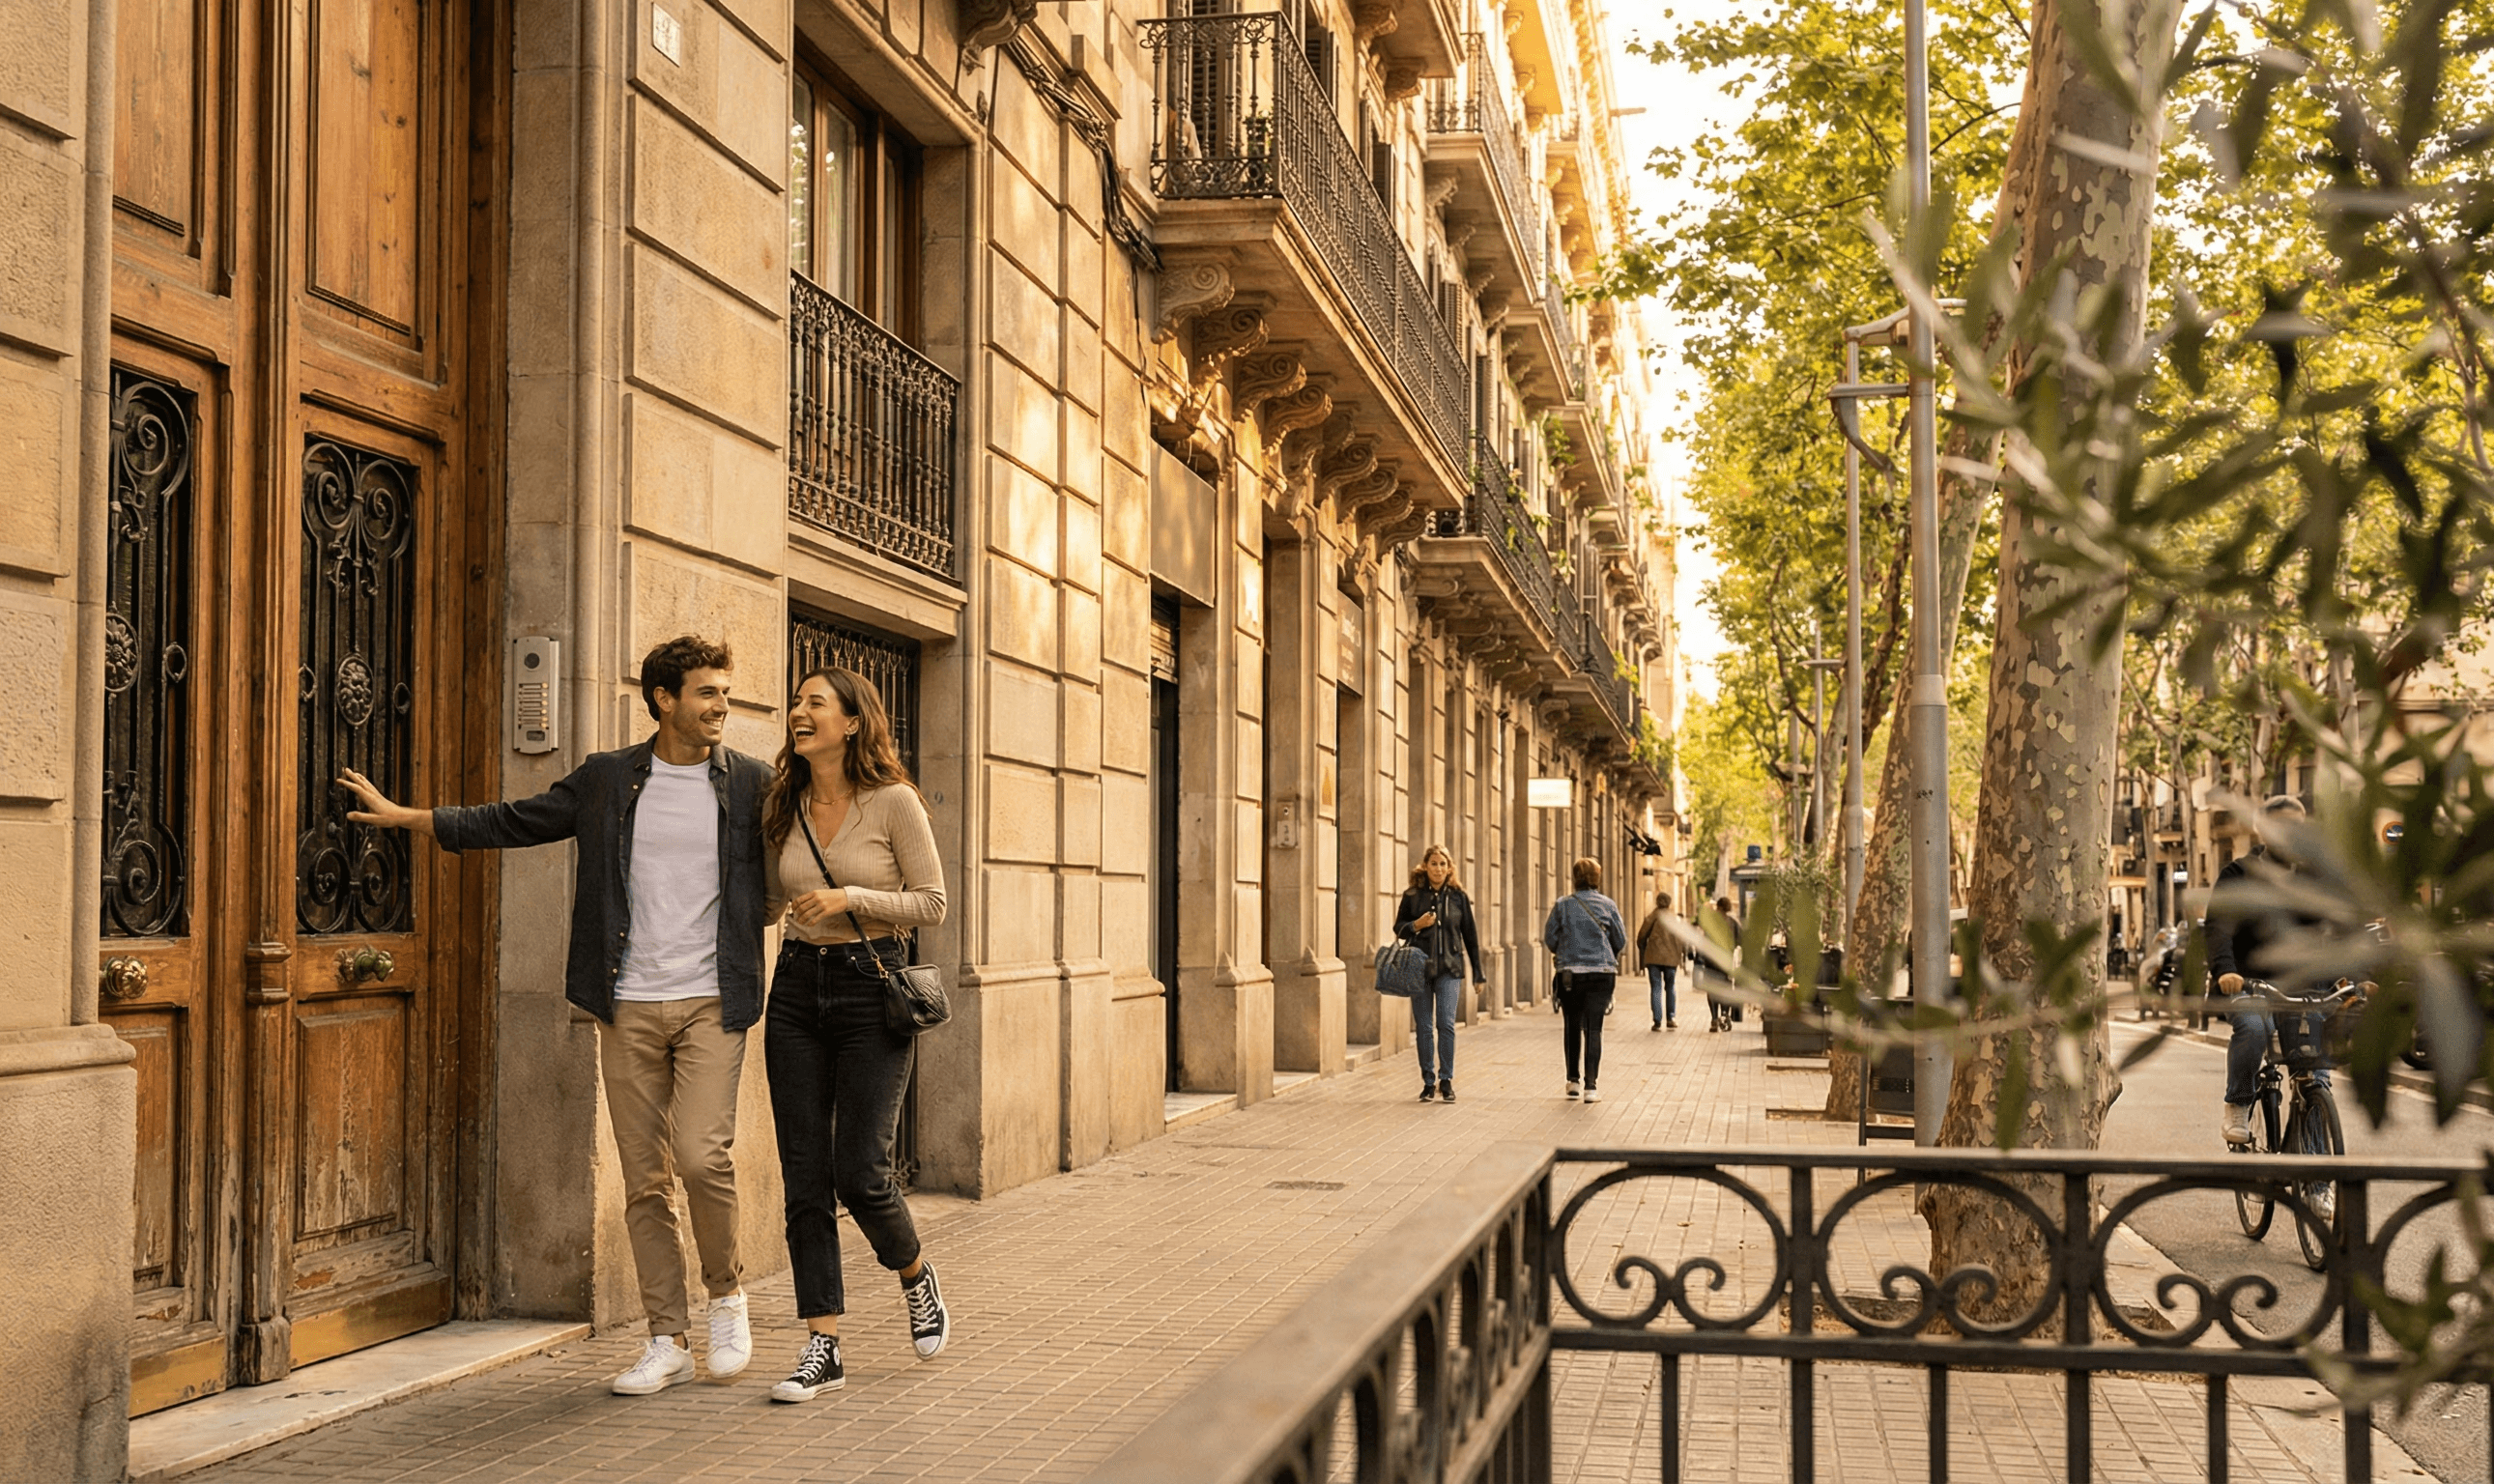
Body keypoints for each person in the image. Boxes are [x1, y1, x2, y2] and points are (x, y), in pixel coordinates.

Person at [338, 635, 769, 1396]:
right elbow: (519, 818)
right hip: (626, 999)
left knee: (704, 1158)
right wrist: (414, 818)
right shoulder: (608, 779)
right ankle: (665, 1336)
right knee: (645, 1179)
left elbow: (797, 851)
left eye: (725, 695)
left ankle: (727, 1296)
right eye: (707, 693)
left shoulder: (751, 784)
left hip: (712, 999)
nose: (721, 708)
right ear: (664, 699)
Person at [761, 667, 954, 1402]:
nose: (798, 711)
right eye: (797, 701)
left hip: (871, 987)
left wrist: (850, 897)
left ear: (850, 722)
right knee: (803, 1175)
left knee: (859, 1170)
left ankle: (914, 1274)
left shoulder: (893, 802)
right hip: (795, 990)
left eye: (815, 703)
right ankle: (823, 1343)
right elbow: (771, 898)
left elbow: (930, 901)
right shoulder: (786, 802)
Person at [2211, 795, 2330, 1148]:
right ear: (2261, 829)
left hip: (2302, 988)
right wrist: (2226, 971)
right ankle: (2239, 1101)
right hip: (2249, 983)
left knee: (2316, 1081)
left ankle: (2318, 1182)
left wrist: (2363, 975)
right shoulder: (2238, 874)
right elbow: (2218, 928)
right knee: (2252, 1028)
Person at [1392, 845, 1487, 1102]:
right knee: (1423, 1027)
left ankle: (1446, 1080)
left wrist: (1478, 973)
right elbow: (1398, 929)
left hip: (1450, 968)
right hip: (1419, 969)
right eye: (1433, 863)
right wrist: (1416, 925)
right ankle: (1427, 1081)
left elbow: (1471, 936)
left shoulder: (1458, 897)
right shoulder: (1412, 896)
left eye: (1443, 864)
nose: (1438, 869)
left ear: (1449, 868)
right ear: (1425, 866)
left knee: (1445, 1023)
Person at [1544, 858, 1629, 1102]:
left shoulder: (1563, 905)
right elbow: (1620, 940)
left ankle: (1573, 1081)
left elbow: (1550, 938)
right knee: (1594, 1028)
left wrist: (1566, 948)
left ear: (1575, 878)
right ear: (1597, 879)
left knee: (1571, 1024)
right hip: (1602, 974)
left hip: (1570, 974)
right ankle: (1591, 1087)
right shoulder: (1608, 905)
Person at [1636, 890, 1688, 1030]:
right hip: (1671, 958)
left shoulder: (1652, 916)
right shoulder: (1675, 918)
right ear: (1670, 903)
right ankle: (1671, 1017)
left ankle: (1657, 1021)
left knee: (1656, 988)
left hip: (1653, 957)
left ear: (1657, 902)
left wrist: (1642, 948)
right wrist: (1682, 954)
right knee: (1670, 986)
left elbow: (1641, 935)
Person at [1706, 895, 1745, 1033]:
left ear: (1719, 907)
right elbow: (1741, 941)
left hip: (1711, 961)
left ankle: (1714, 1018)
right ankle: (1724, 1015)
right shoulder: (1733, 923)